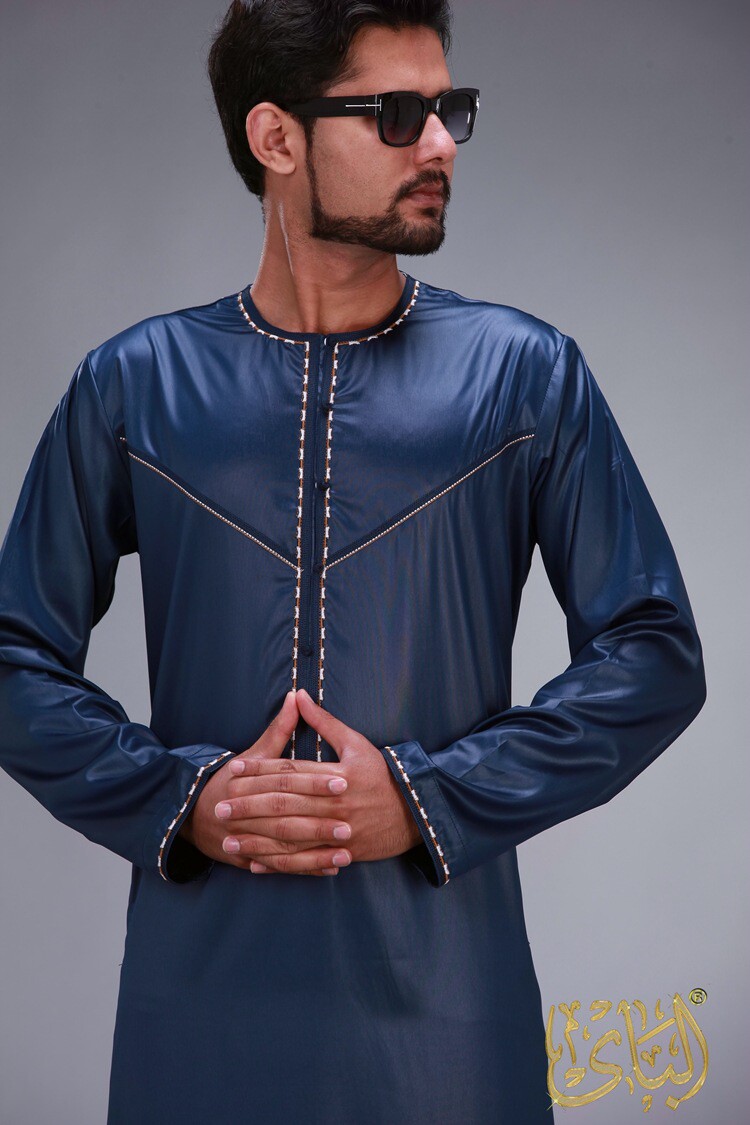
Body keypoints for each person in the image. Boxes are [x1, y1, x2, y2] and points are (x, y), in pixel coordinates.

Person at [0, 1, 706, 1121]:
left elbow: (655, 653)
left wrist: (428, 798)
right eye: (395, 114)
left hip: (447, 1028)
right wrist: (185, 799)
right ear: (276, 137)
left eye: (449, 109)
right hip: (198, 1027)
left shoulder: (524, 377)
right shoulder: (135, 386)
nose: (440, 146)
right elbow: (12, 660)